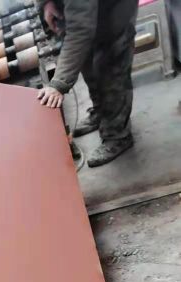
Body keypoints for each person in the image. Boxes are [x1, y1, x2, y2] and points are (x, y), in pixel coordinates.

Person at [36, 0, 139, 167]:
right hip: (85, 8)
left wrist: (59, 83)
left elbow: (80, 30)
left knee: (110, 66)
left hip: (114, 8)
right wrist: (46, 3)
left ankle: (118, 135)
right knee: (88, 63)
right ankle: (100, 112)